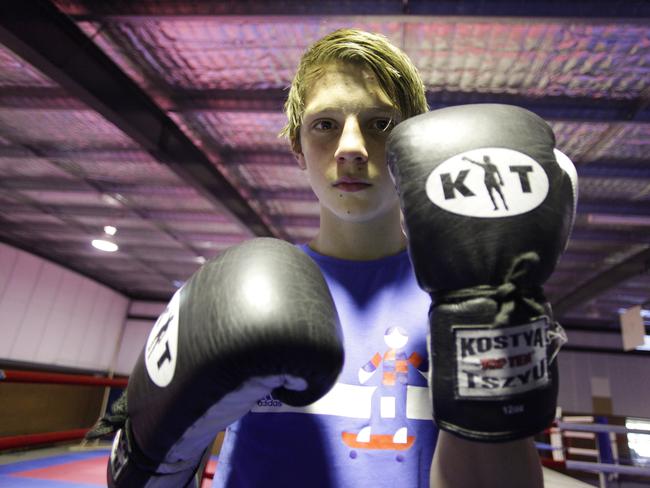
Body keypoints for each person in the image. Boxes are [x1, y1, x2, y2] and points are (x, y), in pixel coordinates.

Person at [212, 28, 544, 488]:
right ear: (297, 147)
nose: (351, 147)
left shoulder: (463, 298)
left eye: (380, 123)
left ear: (416, 149)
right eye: (325, 123)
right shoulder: (244, 292)